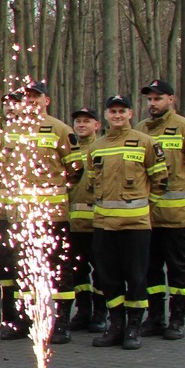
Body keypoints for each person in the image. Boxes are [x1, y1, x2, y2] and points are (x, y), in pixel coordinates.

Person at [0, 80, 74, 341]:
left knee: (58, 270)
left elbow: (75, 171)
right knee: (21, 270)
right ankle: (23, 321)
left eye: (36, 97)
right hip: (17, 217)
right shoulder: (11, 131)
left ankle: (61, 323)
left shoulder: (60, 130)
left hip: (51, 217)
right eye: (27, 97)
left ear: (46, 101)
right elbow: (0, 172)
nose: (31, 101)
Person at [86, 94, 169, 350]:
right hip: (104, 225)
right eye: (113, 111)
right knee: (108, 278)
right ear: (106, 116)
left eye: (122, 111)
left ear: (130, 114)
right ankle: (116, 326)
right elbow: (91, 183)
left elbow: (160, 181)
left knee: (136, 277)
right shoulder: (96, 147)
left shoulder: (146, 143)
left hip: (135, 226)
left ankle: (134, 327)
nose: (117, 115)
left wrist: (144, 209)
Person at [138, 78, 185, 339]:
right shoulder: (140, 129)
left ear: (170, 100)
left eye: (158, 98)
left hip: (174, 217)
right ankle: (155, 318)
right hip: (146, 217)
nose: (153, 103)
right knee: (150, 269)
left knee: (177, 269)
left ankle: (177, 319)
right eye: (150, 99)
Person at [62, 106, 103, 335]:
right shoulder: (69, 150)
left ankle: (100, 314)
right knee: (77, 271)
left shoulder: (102, 148)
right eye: (78, 121)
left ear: (97, 125)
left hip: (98, 224)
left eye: (87, 121)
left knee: (101, 271)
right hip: (73, 224)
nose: (81, 125)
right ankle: (83, 311)